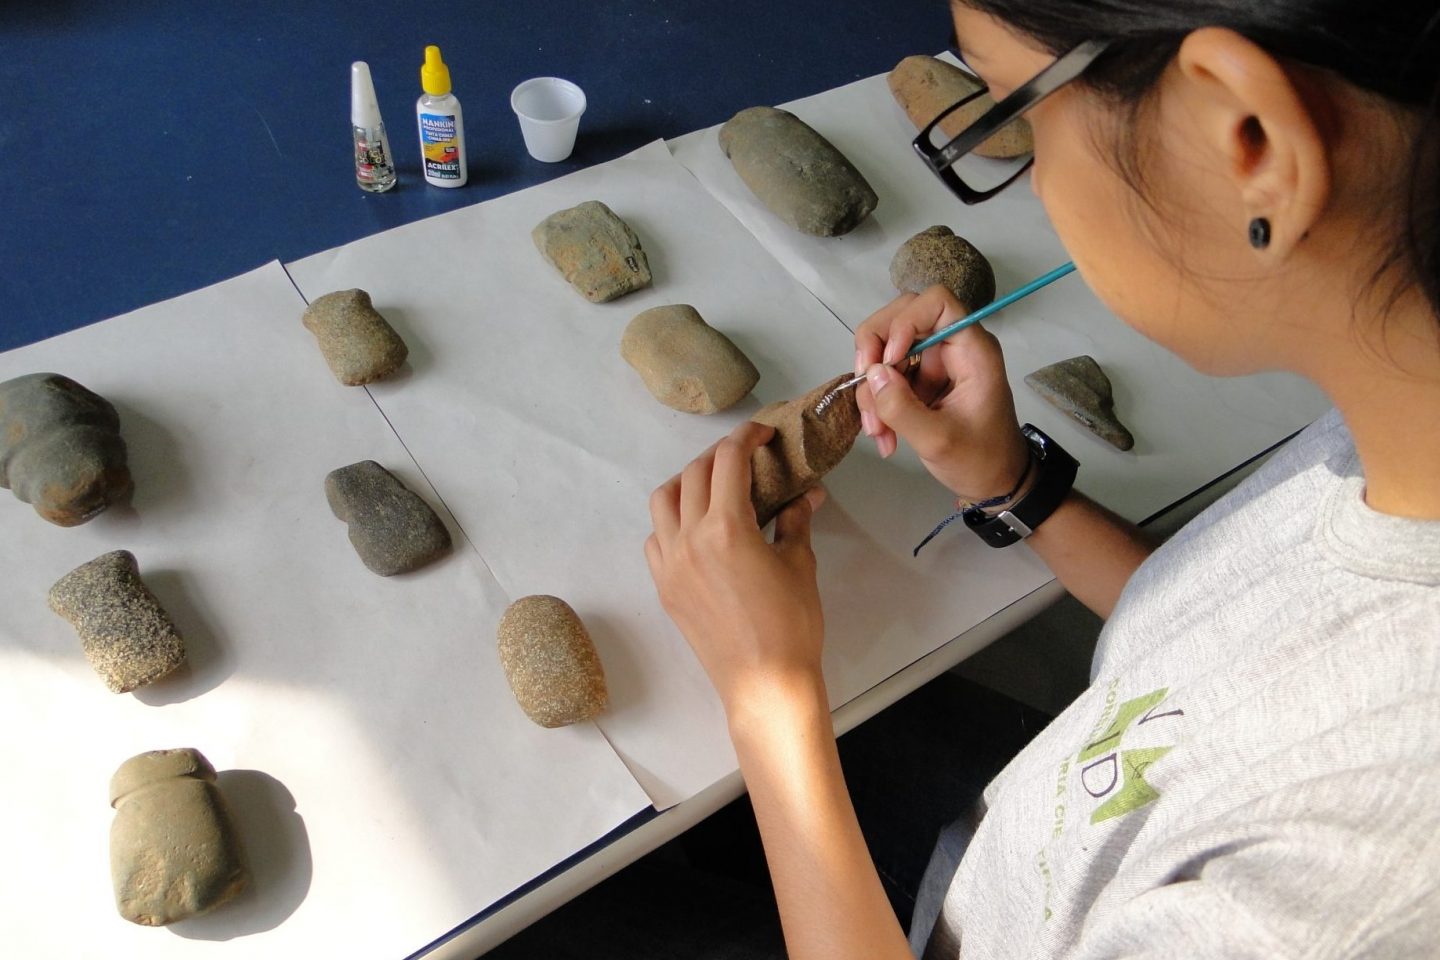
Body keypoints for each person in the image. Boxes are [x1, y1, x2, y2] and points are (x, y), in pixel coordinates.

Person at [643, 1, 1440, 957]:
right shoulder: (1395, 428)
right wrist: (1015, 486)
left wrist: (768, 705)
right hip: (1019, 852)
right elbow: (1242, 630)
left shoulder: (1345, 896)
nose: (1029, 176)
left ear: (1248, 139)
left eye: (1013, 114)